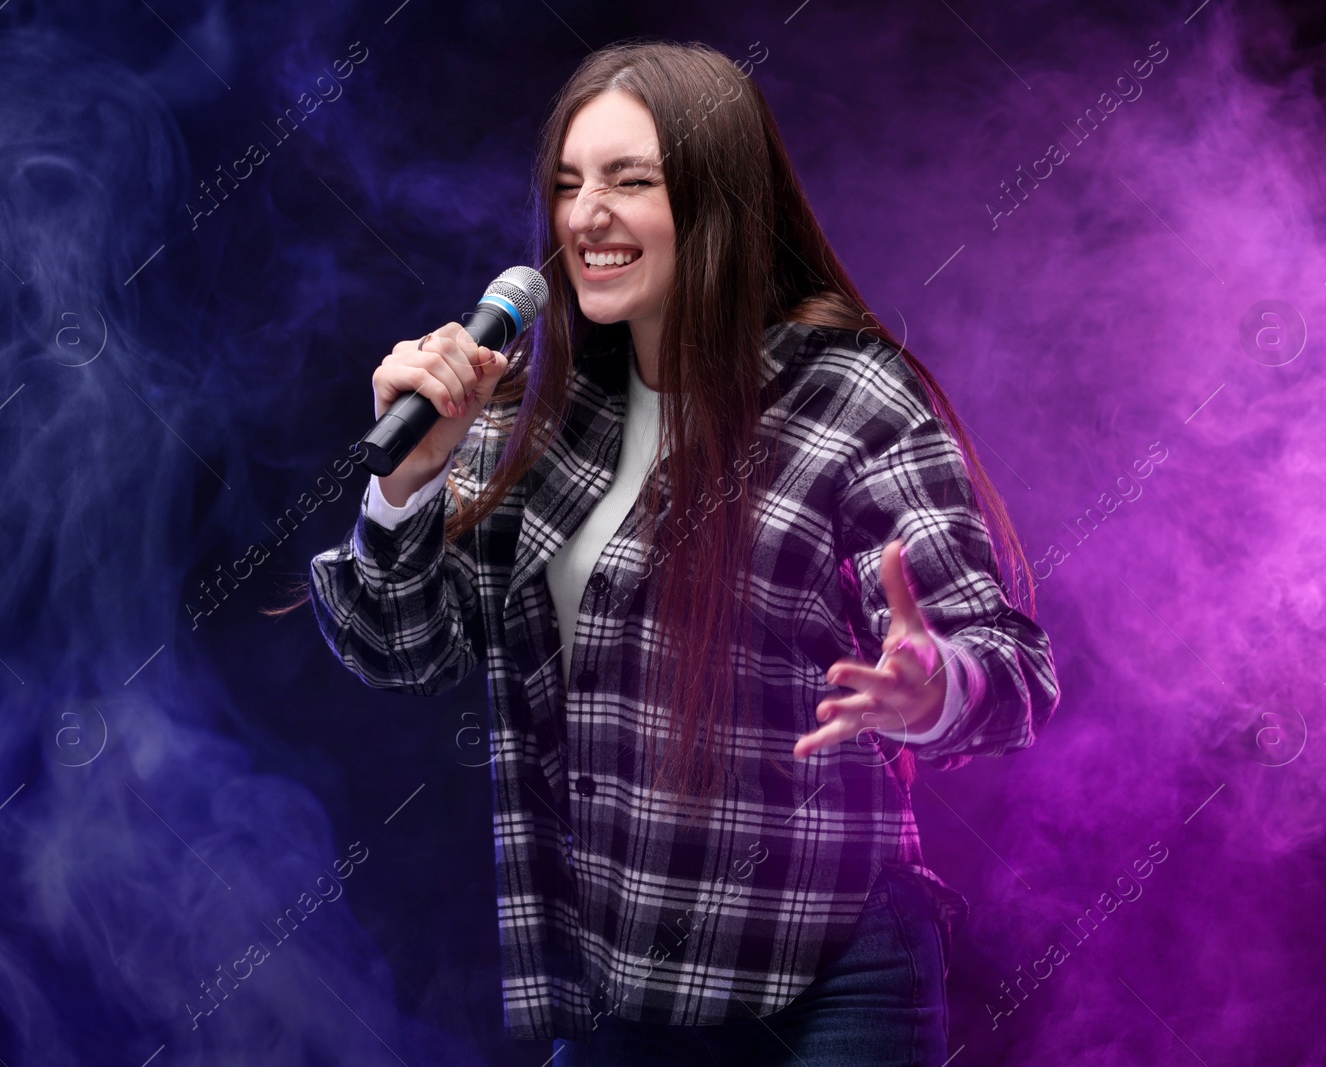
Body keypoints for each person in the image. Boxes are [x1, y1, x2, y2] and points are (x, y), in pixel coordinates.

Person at [305, 37, 1059, 1066]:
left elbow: (1009, 669)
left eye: (630, 180)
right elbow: (401, 650)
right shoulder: (528, 419)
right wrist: (410, 481)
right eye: (568, 184)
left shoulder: (846, 394)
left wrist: (928, 691)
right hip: (627, 990)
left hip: (832, 970)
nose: (587, 215)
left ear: (719, 200)